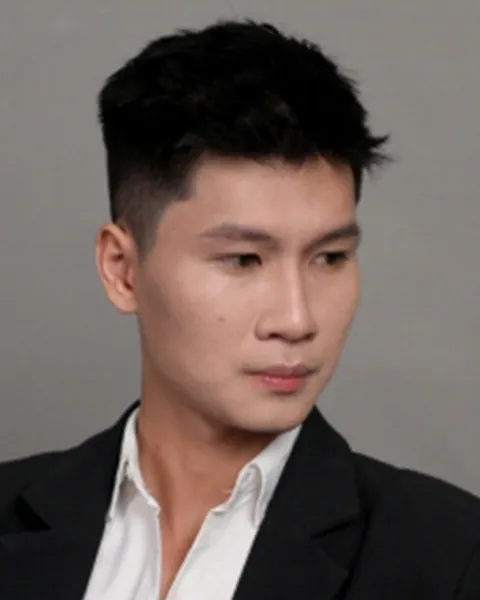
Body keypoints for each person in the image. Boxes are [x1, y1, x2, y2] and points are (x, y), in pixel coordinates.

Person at [0, 19, 479, 600]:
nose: (297, 320)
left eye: (329, 257)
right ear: (122, 269)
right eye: (243, 259)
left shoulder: (450, 557)